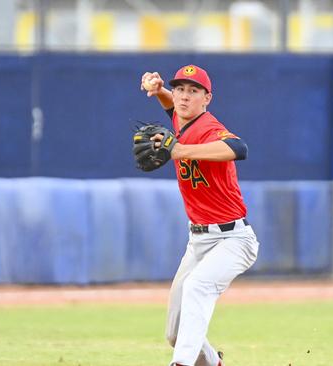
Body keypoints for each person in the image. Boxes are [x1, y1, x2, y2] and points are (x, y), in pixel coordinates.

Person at [140, 64, 260, 366]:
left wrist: (179, 151)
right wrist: (159, 92)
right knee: (176, 332)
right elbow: (175, 108)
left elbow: (238, 147)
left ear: (207, 99)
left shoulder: (208, 126)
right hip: (198, 240)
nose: (184, 96)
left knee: (198, 287)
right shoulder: (181, 118)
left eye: (194, 91)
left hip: (233, 239)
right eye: (180, 88)